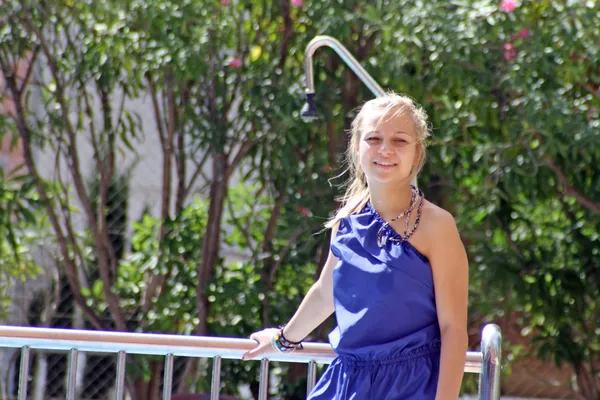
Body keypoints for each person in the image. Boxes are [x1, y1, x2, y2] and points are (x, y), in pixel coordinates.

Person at [242, 92, 469, 399]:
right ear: (357, 147)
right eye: (374, 138)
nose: (385, 149)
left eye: (400, 140)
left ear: (417, 153)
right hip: (348, 384)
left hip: (412, 386)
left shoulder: (437, 226)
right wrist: (283, 340)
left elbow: (454, 330)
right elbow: (325, 294)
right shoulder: (346, 220)